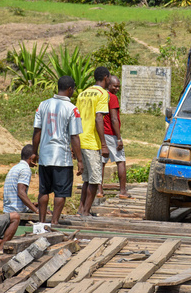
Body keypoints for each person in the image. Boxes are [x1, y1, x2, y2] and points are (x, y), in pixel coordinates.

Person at [32, 76, 83, 225]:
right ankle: (54, 221)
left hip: (45, 156)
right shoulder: (72, 109)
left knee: (44, 190)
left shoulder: (43, 105)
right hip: (62, 157)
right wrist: (80, 160)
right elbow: (74, 136)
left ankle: (41, 222)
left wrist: (35, 152)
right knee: (61, 192)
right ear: (70, 89)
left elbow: (37, 131)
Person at [76, 66, 110, 216]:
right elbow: (98, 118)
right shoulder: (103, 94)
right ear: (105, 78)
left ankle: (81, 210)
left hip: (79, 140)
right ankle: (86, 212)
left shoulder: (82, 94)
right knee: (95, 180)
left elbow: (76, 119)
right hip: (91, 141)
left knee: (87, 179)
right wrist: (103, 144)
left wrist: (74, 144)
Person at [101, 75, 130, 198]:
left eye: (118, 86)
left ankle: (99, 191)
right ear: (109, 85)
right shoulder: (112, 98)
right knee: (120, 161)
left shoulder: (102, 96)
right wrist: (118, 138)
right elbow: (114, 119)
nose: (117, 88)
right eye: (115, 86)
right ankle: (123, 191)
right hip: (111, 134)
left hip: (102, 133)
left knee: (101, 162)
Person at [3, 144, 39, 214]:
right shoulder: (25, 169)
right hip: (16, 212)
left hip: (8, 210)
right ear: (32, 158)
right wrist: (36, 210)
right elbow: (21, 193)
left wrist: (31, 205)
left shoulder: (15, 168)